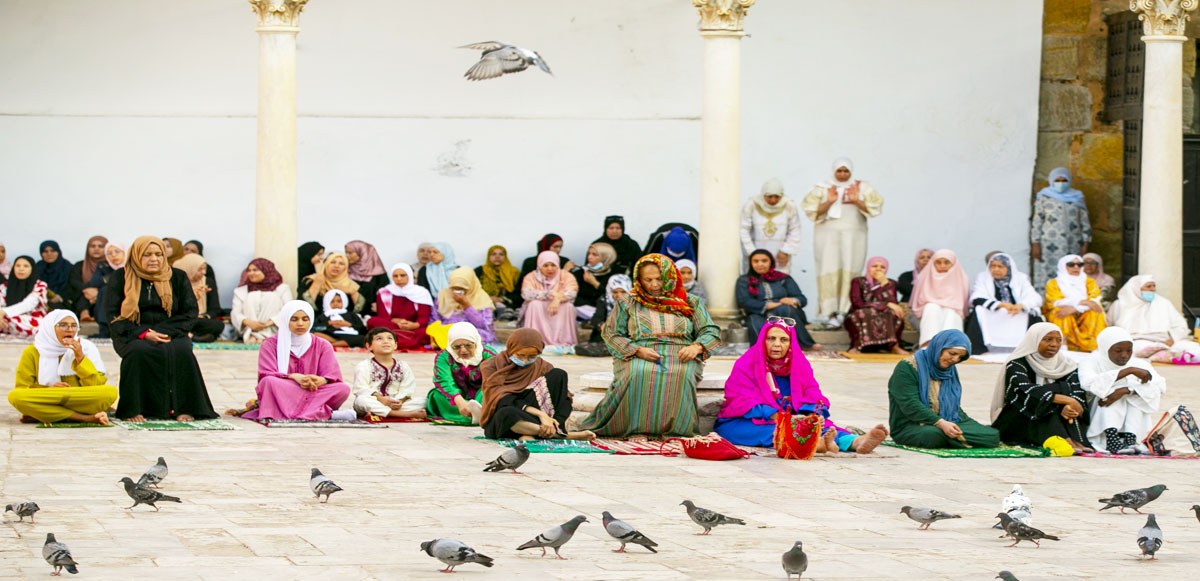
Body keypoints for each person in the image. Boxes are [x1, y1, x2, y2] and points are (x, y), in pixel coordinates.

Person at [580, 254, 722, 437]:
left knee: (682, 373)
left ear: (670, 277)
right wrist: (636, 350)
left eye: (659, 279)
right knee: (639, 372)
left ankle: (676, 431)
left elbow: (710, 330)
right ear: (639, 279)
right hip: (638, 352)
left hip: (682, 353)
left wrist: (697, 347)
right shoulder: (628, 302)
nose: (654, 285)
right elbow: (611, 333)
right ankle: (634, 429)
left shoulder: (690, 302)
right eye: (648, 280)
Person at [716, 322, 890, 452]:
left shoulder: (799, 365)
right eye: (771, 339)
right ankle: (818, 444)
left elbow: (813, 392)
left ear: (791, 344)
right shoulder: (746, 364)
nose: (777, 344)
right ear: (762, 340)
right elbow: (739, 399)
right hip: (753, 420)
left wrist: (811, 415)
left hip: (796, 419)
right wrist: (778, 416)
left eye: (784, 340)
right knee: (770, 431)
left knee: (827, 426)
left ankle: (856, 442)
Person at [105, 235, 216, 422]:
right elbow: (113, 315)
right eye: (147, 255)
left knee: (182, 351)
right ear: (136, 255)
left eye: (158, 254)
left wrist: (165, 332)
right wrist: (143, 333)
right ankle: (135, 409)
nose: (154, 259)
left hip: (171, 331)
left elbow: (189, 312)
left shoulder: (177, 277)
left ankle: (184, 407)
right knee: (139, 351)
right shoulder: (121, 277)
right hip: (132, 333)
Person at [801, 158, 884, 324]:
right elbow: (811, 211)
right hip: (827, 235)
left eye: (846, 171)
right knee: (828, 268)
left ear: (851, 172)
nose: (842, 174)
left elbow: (875, 208)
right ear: (833, 171)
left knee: (851, 267)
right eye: (839, 171)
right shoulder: (822, 188)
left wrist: (856, 200)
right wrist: (830, 201)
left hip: (854, 235)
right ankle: (829, 312)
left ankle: (847, 311)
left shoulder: (863, 187)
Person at [989, 323, 1093, 454]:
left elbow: (1077, 391)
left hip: (1057, 416)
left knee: (1060, 406)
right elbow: (1026, 391)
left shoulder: (1066, 365)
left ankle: (1074, 440)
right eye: (1048, 339)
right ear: (1034, 340)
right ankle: (1065, 440)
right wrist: (1065, 396)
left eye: (1059, 340)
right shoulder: (1017, 364)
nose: (1054, 344)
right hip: (1019, 418)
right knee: (1045, 405)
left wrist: (1069, 405)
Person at [886, 329, 999, 449]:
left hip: (948, 421)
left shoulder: (949, 370)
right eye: (952, 353)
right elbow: (909, 404)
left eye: (960, 357)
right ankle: (957, 438)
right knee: (933, 435)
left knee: (992, 435)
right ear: (939, 347)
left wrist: (966, 424)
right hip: (912, 426)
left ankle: (954, 438)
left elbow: (953, 406)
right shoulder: (907, 367)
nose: (955, 360)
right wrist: (940, 423)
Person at [240, 301, 351, 421]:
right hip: (285, 388)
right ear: (285, 320)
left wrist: (321, 380)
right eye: (294, 319)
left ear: (311, 320)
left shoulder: (323, 345)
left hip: (313, 389)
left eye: (305, 319)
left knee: (343, 388)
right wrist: (293, 377)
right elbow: (266, 373)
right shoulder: (270, 344)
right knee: (269, 382)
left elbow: (332, 375)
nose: (300, 324)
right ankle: (323, 413)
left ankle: (288, 411)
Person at [479, 328, 594, 441]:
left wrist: (552, 421)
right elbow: (500, 398)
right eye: (520, 355)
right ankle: (561, 435)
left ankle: (542, 431)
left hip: (534, 420)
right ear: (511, 349)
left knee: (559, 374)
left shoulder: (543, 367)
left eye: (531, 356)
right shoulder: (492, 366)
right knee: (506, 413)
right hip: (508, 418)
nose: (525, 360)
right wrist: (541, 415)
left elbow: (563, 400)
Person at [8, 310, 118, 425]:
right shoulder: (33, 351)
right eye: (63, 325)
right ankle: (84, 418)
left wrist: (80, 358)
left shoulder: (87, 347)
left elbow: (96, 385)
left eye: (74, 325)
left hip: (79, 399)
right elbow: (23, 387)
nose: (69, 329)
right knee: (15, 396)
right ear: (49, 327)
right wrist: (49, 390)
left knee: (110, 392)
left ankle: (45, 413)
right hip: (50, 397)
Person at [1080, 327, 1166, 454]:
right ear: (1105, 348)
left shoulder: (1140, 363)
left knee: (1134, 394)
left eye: (1129, 350)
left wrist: (1128, 390)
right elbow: (1088, 383)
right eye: (1118, 351)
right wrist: (1127, 371)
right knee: (1108, 392)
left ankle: (1130, 439)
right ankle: (1111, 438)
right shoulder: (1091, 361)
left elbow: (1159, 386)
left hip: (1130, 410)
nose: (1124, 355)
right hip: (1099, 410)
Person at [736, 249, 819, 349]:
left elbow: (802, 299)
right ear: (751, 263)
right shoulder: (744, 280)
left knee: (784, 309)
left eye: (764, 261)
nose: (760, 264)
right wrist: (770, 305)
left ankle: (803, 344)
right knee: (756, 323)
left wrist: (792, 300)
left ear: (771, 262)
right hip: (758, 312)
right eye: (756, 261)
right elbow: (744, 301)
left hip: (784, 312)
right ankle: (764, 350)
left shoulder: (783, 278)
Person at [1106, 274, 1200, 362]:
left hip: (1164, 342)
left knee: (1194, 347)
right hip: (1136, 342)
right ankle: (1170, 355)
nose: (1153, 289)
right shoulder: (1119, 304)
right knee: (1135, 350)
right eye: (1148, 286)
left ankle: (1168, 354)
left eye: (1154, 286)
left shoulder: (1163, 303)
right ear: (1136, 288)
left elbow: (1180, 325)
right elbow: (1109, 326)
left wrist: (1173, 338)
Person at [964, 253, 1044, 355]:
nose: (996, 269)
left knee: (1034, 311)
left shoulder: (1021, 278)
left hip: (1016, 311)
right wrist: (1001, 305)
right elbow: (976, 297)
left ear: (1009, 267)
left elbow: (1034, 297)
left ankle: (1031, 349)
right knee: (979, 310)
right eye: (993, 266)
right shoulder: (983, 277)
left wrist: (1021, 306)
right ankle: (979, 349)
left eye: (1000, 266)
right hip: (995, 311)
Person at [1031, 168, 1092, 289]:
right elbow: (1037, 221)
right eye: (1057, 180)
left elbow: (1085, 222)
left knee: (1070, 272)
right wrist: (1035, 244)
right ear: (1051, 181)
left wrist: (1085, 244)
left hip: (1073, 244)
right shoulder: (1044, 197)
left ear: (1069, 181)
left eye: (1064, 180)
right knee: (1047, 274)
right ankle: (1046, 303)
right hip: (1048, 245)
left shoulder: (1077, 197)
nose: (1061, 183)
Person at [426, 322, 495, 424]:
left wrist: (477, 402)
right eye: (456, 347)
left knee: (491, 390)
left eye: (468, 345)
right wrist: (459, 400)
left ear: (476, 342)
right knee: (436, 395)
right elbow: (444, 381)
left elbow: (492, 380)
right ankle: (479, 415)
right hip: (456, 398)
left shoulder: (488, 355)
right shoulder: (444, 356)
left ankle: (479, 412)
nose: (463, 350)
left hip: (481, 395)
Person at [351, 327, 426, 419]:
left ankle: (381, 412)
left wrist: (400, 401)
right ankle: (404, 414)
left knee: (424, 401)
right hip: (375, 401)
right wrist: (380, 399)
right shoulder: (364, 365)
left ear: (395, 345)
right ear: (369, 346)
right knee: (361, 401)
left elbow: (408, 388)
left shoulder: (403, 366)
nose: (385, 341)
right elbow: (360, 388)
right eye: (379, 339)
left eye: (389, 338)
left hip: (396, 403)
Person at [1043, 254, 1106, 352]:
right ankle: (1062, 347)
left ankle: (1093, 347)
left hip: (1082, 312)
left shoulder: (1089, 282)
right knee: (1060, 312)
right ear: (1063, 266)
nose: (1076, 267)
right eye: (1071, 264)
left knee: (1096, 312)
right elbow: (1055, 301)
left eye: (1079, 264)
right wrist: (1082, 302)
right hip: (1064, 312)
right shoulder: (1053, 283)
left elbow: (1094, 301)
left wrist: (1075, 308)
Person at [844, 257, 907, 354]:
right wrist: (886, 304)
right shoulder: (857, 281)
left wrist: (884, 285)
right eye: (874, 266)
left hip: (884, 313)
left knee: (893, 313)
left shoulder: (891, 283)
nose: (878, 269)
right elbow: (857, 303)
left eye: (882, 267)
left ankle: (894, 346)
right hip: (861, 312)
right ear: (868, 267)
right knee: (865, 312)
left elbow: (893, 302)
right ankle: (857, 346)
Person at [740, 178, 803, 274]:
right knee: (754, 283)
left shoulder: (789, 205)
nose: (773, 200)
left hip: (779, 254)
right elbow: (743, 229)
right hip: (755, 253)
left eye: (777, 197)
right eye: (769, 196)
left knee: (779, 283)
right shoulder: (752, 205)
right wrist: (753, 253)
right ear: (763, 194)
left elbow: (795, 229)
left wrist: (786, 251)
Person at [909, 249, 969, 347]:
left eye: (946, 262)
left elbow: (961, 305)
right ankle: (929, 345)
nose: (942, 266)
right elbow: (919, 302)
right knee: (931, 307)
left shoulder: (961, 277)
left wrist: (946, 305)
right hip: (924, 315)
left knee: (952, 311)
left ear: (953, 263)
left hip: (952, 312)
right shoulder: (925, 276)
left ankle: (950, 345)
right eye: (938, 262)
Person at [365, 263, 433, 349]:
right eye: (395, 276)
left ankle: (394, 341)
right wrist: (396, 321)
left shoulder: (421, 292)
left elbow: (424, 318)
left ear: (409, 275)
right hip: (392, 325)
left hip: (413, 328)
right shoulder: (384, 292)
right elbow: (383, 316)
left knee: (427, 332)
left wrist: (413, 325)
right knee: (372, 321)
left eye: (402, 275)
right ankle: (408, 341)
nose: (399, 279)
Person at [521, 251, 578, 353]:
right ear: (539, 265)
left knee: (568, 306)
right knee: (534, 305)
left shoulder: (566, 275)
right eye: (545, 265)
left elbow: (572, 292)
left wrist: (557, 299)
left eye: (553, 265)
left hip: (560, 305)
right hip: (540, 307)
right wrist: (549, 294)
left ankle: (564, 340)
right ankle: (535, 341)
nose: (550, 269)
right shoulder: (531, 276)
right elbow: (526, 293)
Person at [429, 266, 498, 347]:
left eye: (462, 289)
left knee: (477, 336)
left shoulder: (482, 298)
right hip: (447, 331)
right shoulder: (443, 296)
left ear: (471, 286)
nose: (457, 292)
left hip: (472, 331)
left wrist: (467, 306)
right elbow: (434, 320)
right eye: (454, 288)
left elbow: (484, 325)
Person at [231, 258, 293, 344]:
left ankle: (263, 336)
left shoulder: (282, 288)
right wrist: (251, 323)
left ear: (266, 270)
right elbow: (236, 313)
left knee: (271, 297)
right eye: (249, 270)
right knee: (252, 296)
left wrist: (266, 325)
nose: (251, 273)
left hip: (273, 328)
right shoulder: (240, 291)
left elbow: (289, 310)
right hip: (248, 329)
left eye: (255, 270)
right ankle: (254, 335)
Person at [173, 254, 224, 343]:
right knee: (176, 322)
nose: (204, 272)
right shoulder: (178, 281)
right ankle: (195, 336)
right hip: (182, 317)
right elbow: (175, 308)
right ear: (190, 268)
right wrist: (194, 297)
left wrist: (203, 316)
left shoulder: (207, 282)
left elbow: (215, 309)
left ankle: (189, 334)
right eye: (200, 269)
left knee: (218, 325)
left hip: (199, 319)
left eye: (205, 269)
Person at [0, 256, 49, 339]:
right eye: (18, 266)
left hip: (32, 323)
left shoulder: (40, 285)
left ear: (32, 269)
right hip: (7, 322)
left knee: (10, 318)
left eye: (26, 266)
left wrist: (3, 312)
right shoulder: (4, 287)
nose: (21, 269)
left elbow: (28, 304)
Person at [86, 242, 126, 339]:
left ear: (125, 252)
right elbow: (94, 282)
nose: (113, 255)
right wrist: (115, 277)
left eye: (117, 251)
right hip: (110, 297)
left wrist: (107, 279)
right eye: (109, 253)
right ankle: (104, 330)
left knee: (106, 290)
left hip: (127, 296)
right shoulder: (103, 265)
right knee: (104, 290)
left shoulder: (132, 265)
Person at [64, 235, 108, 321]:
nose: (96, 249)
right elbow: (74, 281)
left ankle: (84, 312)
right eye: (92, 246)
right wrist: (89, 291)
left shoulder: (110, 266)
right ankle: (84, 312)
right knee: (76, 291)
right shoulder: (79, 265)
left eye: (100, 246)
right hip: (83, 295)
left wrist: (97, 293)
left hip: (102, 296)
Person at [571, 242, 617, 322]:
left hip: (602, 310)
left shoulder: (613, 276)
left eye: (594, 255)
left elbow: (612, 297)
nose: (590, 257)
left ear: (605, 257)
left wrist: (595, 283)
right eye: (589, 254)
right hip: (581, 309)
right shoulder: (581, 273)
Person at [475, 245, 522, 314]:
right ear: (489, 256)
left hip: (508, 303)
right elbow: (474, 290)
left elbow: (519, 292)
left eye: (501, 254)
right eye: (493, 254)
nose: (497, 257)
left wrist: (501, 299)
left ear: (505, 257)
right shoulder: (480, 270)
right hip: (485, 302)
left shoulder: (513, 272)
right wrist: (488, 298)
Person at [344, 240, 388, 314]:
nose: (347, 256)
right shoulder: (346, 271)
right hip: (349, 314)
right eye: (346, 252)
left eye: (350, 253)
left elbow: (385, 295)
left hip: (372, 314)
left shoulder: (379, 273)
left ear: (363, 253)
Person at [181, 240, 220, 315]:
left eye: (193, 251)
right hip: (183, 316)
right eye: (186, 249)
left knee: (217, 325)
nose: (188, 252)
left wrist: (205, 316)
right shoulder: (175, 274)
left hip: (202, 316)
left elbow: (214, 307)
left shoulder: (207, 280)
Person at [34, 240, 72, 305]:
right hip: (39, 301)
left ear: (58, 252)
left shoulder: (67, 267)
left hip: (63, 302)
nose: (49, 254)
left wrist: (60, 297)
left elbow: (71, 287)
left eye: (52, 251)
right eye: (45, 251)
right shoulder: (37, 267)